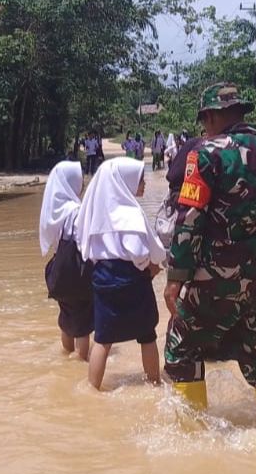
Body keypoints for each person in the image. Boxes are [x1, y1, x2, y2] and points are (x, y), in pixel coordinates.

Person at [163, 82, 256, 431]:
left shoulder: (206, 154)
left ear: (211, 116)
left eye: (204, 121)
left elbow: (189, 218)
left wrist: (176, 277)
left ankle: (194, 436)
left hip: (213, 278)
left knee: (182, 346)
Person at [76, 157, 166, 390]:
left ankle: (92, 389)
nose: (144, 183)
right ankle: (154, 384)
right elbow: (142, 253)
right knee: (147, 335)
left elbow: (85, 248)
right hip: (132, 281)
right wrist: (152, 265)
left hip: (103, 280)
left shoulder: (96, 213)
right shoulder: (131, 214)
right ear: (124, 181)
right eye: (140, 179)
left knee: (102, 339)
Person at [39, 161, 93, 361]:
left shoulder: (53, 209)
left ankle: (66, 359)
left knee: (67, 317)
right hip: (76, 274)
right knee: (83, 324)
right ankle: (79, 363)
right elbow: (84, 242)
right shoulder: (75, 210)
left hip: (58, 273)